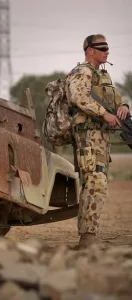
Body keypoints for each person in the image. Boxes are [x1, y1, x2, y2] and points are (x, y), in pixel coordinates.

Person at [65, 34, 130, 248]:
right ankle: (87, 239)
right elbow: (79, 96)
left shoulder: (103, 76)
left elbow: (117, 100)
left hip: (101, 137)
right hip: (87, 135)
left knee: (97, 182)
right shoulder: (81, 72)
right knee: (95, 183)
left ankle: (89, 237)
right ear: (89, 50)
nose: (106, 50)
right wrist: (104, 114)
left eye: (107, 47)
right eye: (101, 47)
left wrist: (124, 107)